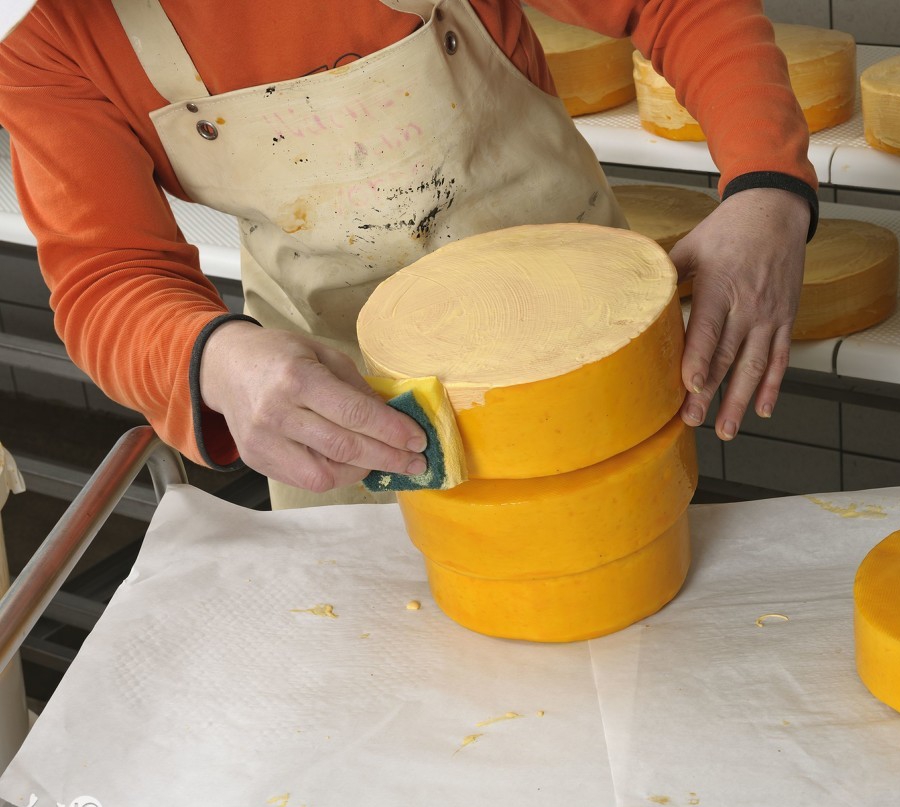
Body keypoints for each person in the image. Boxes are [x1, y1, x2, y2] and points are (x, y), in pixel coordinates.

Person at [0, 0, 818, 508]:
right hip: (344, 418)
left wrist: (767, 188)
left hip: (578, 368)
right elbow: (108, 275)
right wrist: (219, 361)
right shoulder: (40, 34)